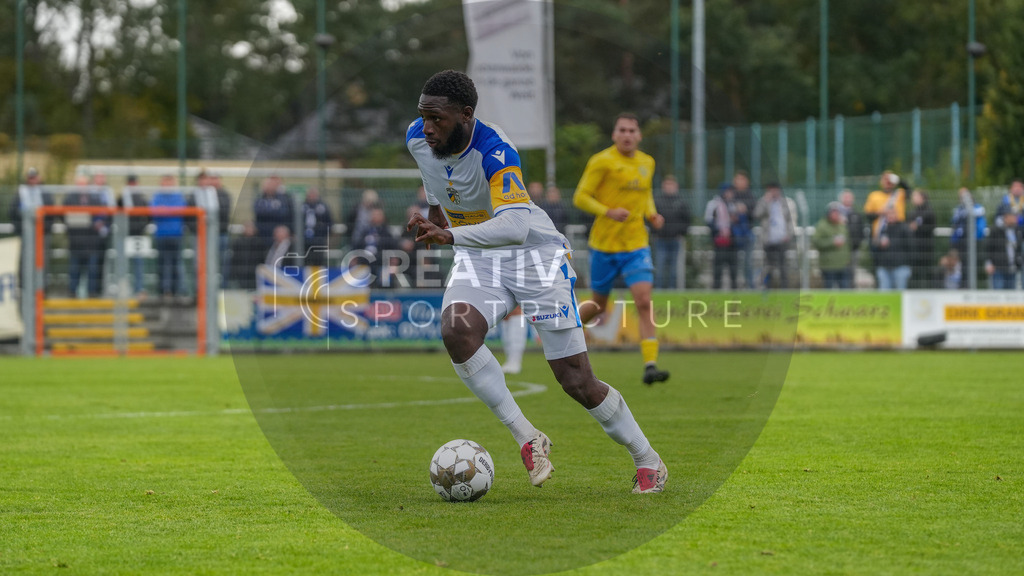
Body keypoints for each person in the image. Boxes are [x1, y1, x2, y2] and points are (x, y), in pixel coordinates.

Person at [405, 70, 666, 493]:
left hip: (533, 258)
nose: (428, 127)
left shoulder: (497, 150)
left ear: (466, 114)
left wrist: (450, 233)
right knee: (456, 330)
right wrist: (435, 213)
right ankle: (527, 436)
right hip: (478, 257)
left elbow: (513, 227)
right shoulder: (418, 136)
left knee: (576, 380)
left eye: (438, 119)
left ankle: (646, 458)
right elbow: (433, 178)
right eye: (423, 117)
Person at [572, 112, 670, 386]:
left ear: (639, 136)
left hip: (636, 244)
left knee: (643, 300)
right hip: (603, 245)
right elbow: (580, 197)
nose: (627, 135)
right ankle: (565, 329)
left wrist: (652, 214)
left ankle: (650, 364)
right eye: (622, 130)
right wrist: (608, 211)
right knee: (598, 304)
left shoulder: (647, 162)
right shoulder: (601, 161)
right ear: (614, 135)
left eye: (632, 131)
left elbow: (645, 194)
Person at [63, 175, 110, 298]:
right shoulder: (69, 199)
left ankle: (92, 294)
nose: (82, 187)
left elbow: (101, 218)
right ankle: (72, 293)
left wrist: (91, 222)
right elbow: (66, 218)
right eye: (79, 184)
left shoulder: (96, 200)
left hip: (91, 243)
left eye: (84, 184)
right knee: (74, 270)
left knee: (92, 271)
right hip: (75, 242)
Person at [753, 182, 796, 289]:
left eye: (775, 189)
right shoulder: (764, 201)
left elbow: (791, 220)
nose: (773, 192)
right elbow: (756, 214)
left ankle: (784, 288)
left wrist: (788, 235)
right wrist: (765, 201)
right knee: (768, 266)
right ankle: (768, 287)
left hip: (782, 239)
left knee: (782, 266)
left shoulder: (787, 203)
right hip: (768, 240)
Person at [652, 175, 691, 289]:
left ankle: (672, 290)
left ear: (676, 186)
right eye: (667, 184)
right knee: (659, 266)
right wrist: (656, 231)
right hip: (660, 239)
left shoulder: (681, 202)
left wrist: (680, 232)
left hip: (675, 239)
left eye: (671, 184)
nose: (669, 187)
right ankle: (658, 291)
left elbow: (687, 220)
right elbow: (650, 218)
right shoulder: (657, 201)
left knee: (674, 268)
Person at [151, 175, 187, 298]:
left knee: (176, 263)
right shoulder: (157, 196)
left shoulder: (178, 196)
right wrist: (169, 211)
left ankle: (178, 290)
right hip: (161, 235)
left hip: (176, 234)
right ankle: (165, 290)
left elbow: (181, 210)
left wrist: (164, 210)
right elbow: (154, 211)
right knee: (163, 263)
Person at [705, 184, 739, 290]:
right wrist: (719, 231)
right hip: (719, 241)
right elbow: (709, 220)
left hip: (731, 241)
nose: (730, 194)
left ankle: (734, 289)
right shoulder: (713, 204)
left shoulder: (733, 205)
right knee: (718, 267)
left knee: (733, 267)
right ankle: (716, 288)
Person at [870, 205, 912, 290]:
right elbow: (874, 246)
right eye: (888, 214)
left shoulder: (904, 228)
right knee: (885, 296)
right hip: (884, 266)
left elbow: (911, 246)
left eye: (893, 213)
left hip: (901, 266)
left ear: (897, 214)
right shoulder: (882, 229)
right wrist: (878, 244)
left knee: (900, 295)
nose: (891, 216)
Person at [811, 202, 851, 289]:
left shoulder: (842, 226)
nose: (836, 214)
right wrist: (832, 242)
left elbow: (847, 244)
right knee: (828, 289)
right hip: (828, 265)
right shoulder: (821, 226)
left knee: (845, 289)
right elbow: (816, 241)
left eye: (837, 212)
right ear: (828, 213)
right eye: (833, 212)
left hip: (842, 265)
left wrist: (847, 258)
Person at [730, 171, 757, 288]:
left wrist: (745, 210)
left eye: (742, 179)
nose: (740, 182)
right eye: (738, 179)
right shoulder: (730, 195)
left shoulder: (751, 196)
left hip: (747, 233)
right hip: (733, 234)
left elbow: (755, 214)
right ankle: (734, 286)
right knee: (734, 261)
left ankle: (750, 285)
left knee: (747, 261)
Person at [864, 171, 908, 239]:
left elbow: (909, 190)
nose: (888, 182)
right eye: (885, 179)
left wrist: (896, 179)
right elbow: (868, 215)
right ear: (881, 181)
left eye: (889, 179)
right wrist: (880, 213)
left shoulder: (899, 194)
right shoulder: (874, 195)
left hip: (897, 233)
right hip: (879, 234)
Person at [907, 189, 937, 289]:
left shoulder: (929, 212)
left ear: (922, 198)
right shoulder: (913, 212)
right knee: (915, 273)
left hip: (926, 249)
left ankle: (929, 291)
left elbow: (930, 227)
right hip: (914, 249)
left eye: (915, 196)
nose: (913, 199)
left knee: (927, 272)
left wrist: (918, 227)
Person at [254, 175, 292, 249]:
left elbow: (284, 212)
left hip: (279, 232)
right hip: (263, 232)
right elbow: (258, 211)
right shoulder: (260, 198)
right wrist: (273, 211)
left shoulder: (284, 197)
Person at [985, 212, 1021, 290]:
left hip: (1012, 268)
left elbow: (1018, 248)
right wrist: (989, 263)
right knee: (998, 295)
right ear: (1006, 217)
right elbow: (988, 248)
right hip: (998, 268)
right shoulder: (995, 230)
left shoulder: (1016, 230)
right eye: (1013, 216)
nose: (1015, 218)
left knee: (1011, 297)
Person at [301, 188, 334, 267]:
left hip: (319, 240)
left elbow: (329, 222)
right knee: (304, 261)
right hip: (304, 240)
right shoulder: (302, 206)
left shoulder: (323, 206)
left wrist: (324, 234)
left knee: (318, 262)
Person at [840, 189, 865, 288]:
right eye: (846, 197)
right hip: (838, 250)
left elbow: (861, 231)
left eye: (850, 198)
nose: (848, 200)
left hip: (853, 248)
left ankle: (850, 291)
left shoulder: (857, 215)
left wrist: (856, 244)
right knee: (840, 271)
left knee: (851, 272)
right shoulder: (836, 214)